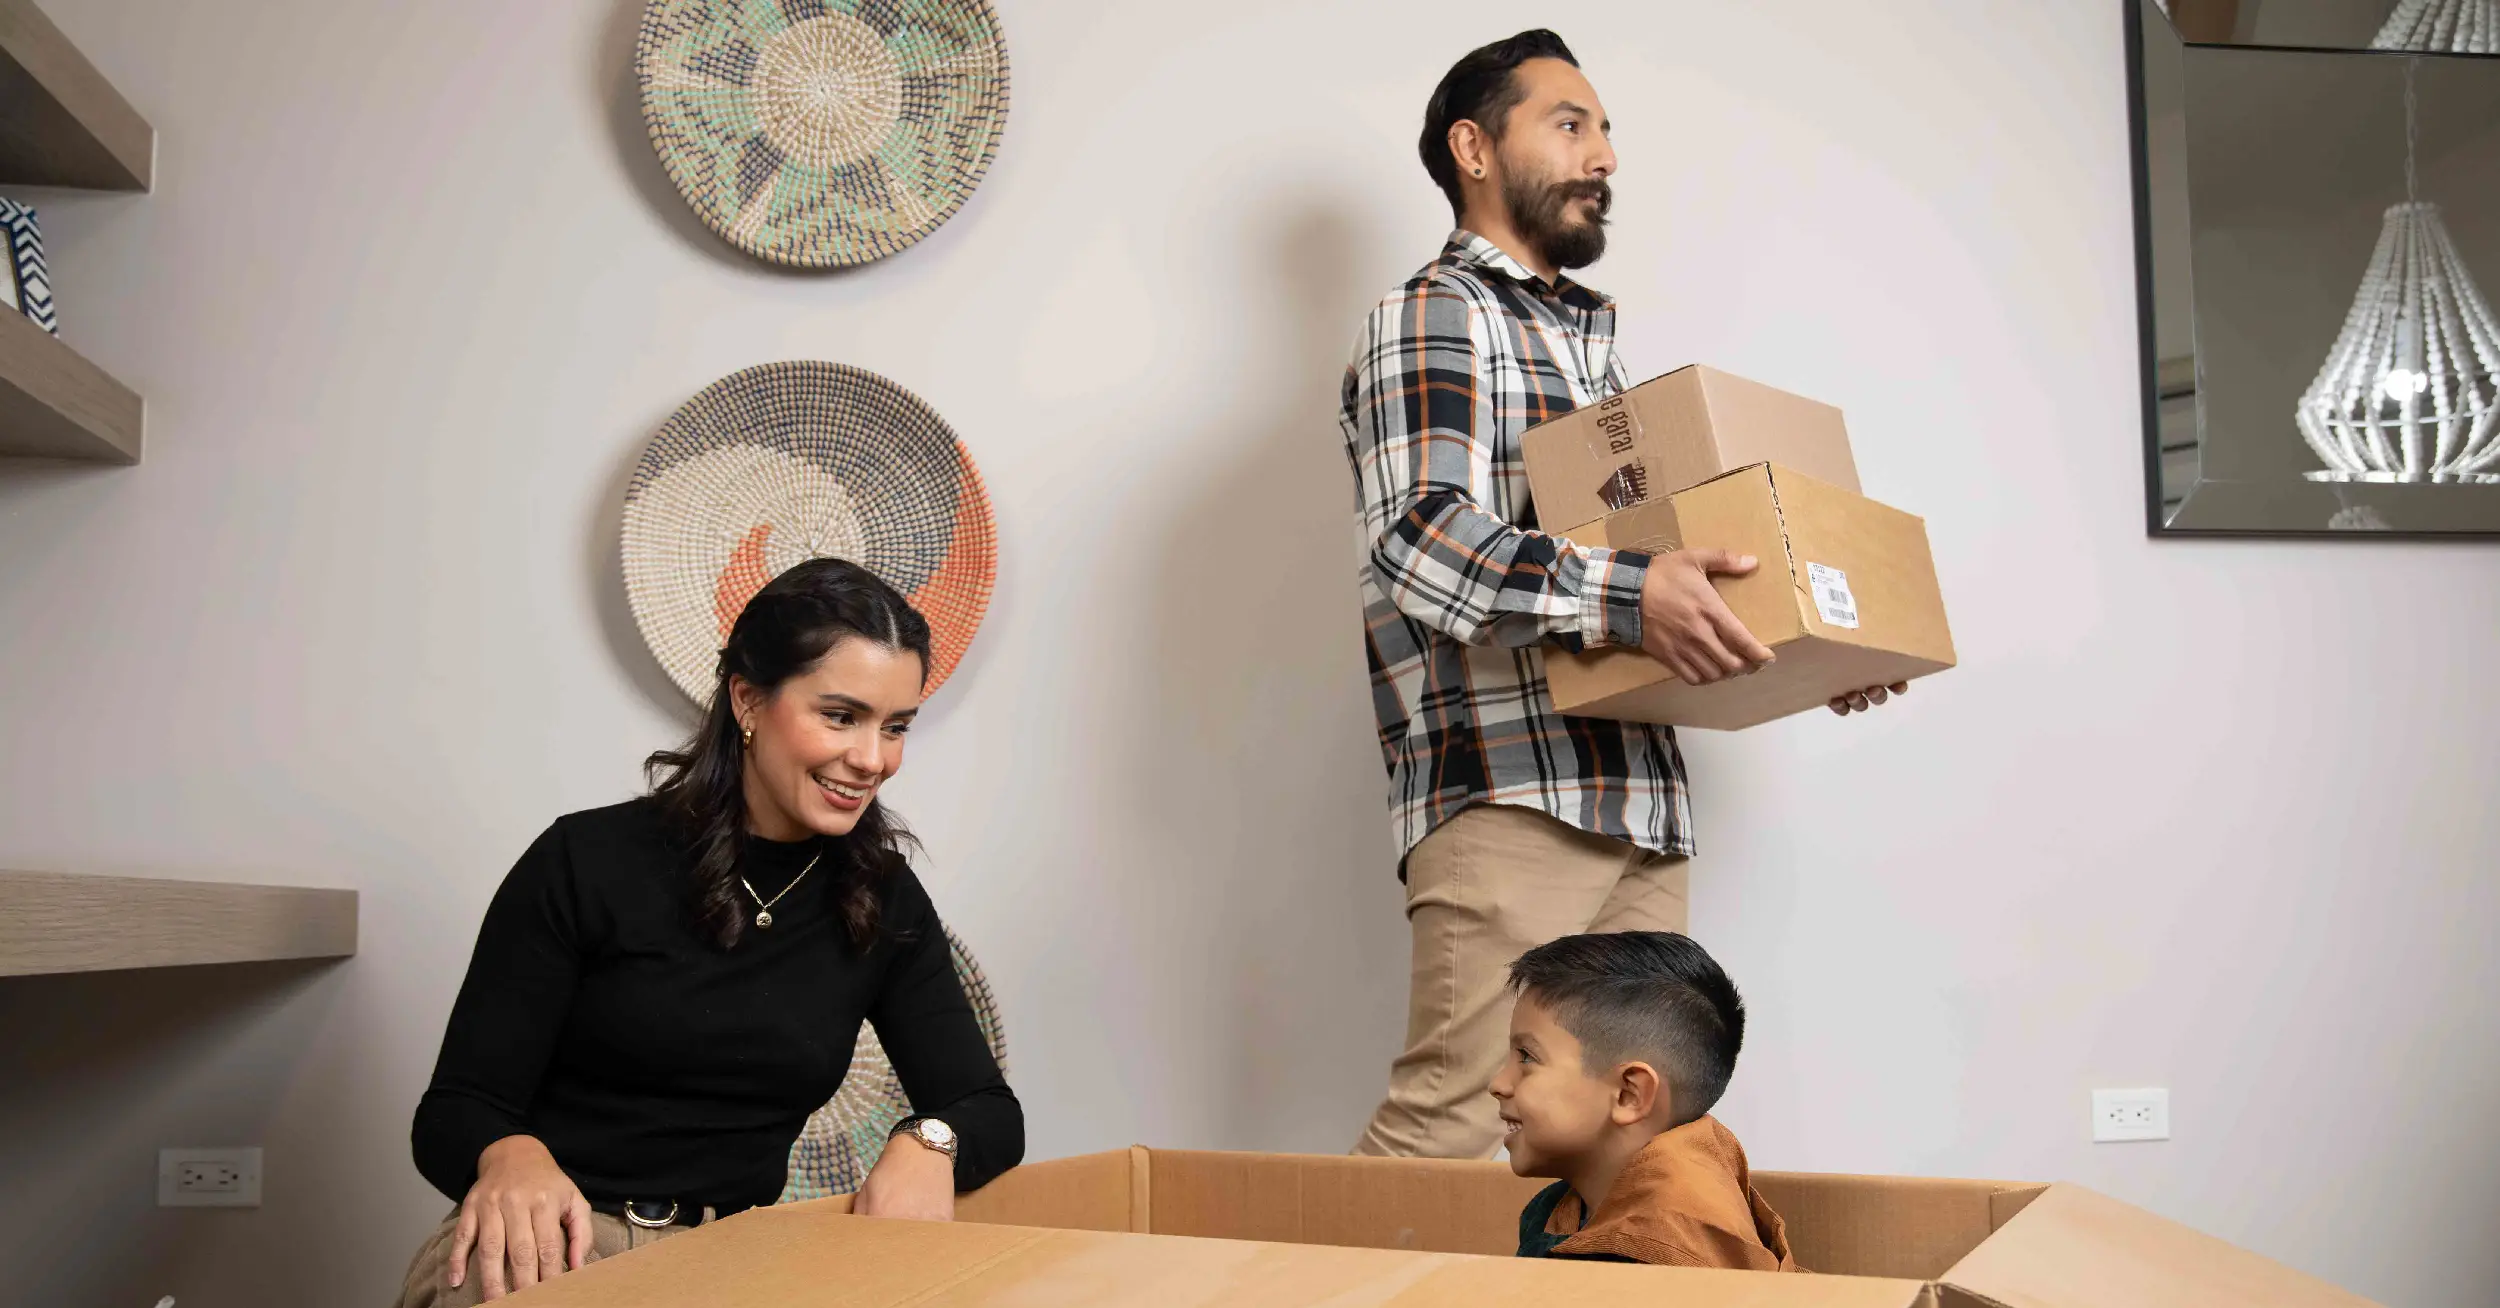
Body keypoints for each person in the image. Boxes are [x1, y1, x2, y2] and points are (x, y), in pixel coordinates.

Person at [1341, 29, 1903, 1159]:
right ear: (1474, 149)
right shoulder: (1439, 314)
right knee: (1446, 1138)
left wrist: (1816, 646)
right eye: (1569, 123)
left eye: (1605, 132)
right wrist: (1633, 592)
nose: (1601, 155)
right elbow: (1419, 538)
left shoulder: (1592, 356)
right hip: (1512, 797)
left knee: (1626, 1146)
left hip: (1639, 800)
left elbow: (1664, 581)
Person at [396, 559, 1022, 1306]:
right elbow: (454, 1110)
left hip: (737, 1264)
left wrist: (929, 1143)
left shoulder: (881, 897)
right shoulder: (586, 860)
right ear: (749, 700)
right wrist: (509, 1156)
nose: (872, 759)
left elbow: (988, 1109)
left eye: (895, 728)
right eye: (841, 716)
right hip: (550, 1247)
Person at [1495, 933, 1795, 1270]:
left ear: (1629, 1094)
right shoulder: (1567, 1205)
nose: (1498, 1084)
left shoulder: (1670, 1257)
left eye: (1526, 1057)